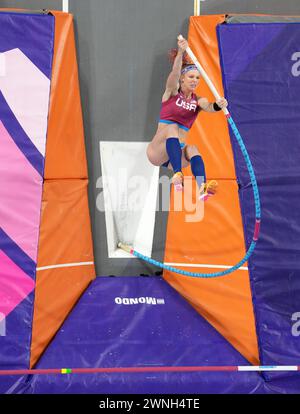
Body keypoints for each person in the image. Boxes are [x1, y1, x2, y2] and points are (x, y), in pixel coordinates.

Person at [146, 35, 228, 200]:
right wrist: (180, 53)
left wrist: (219, 104)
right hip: (157, 151)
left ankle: (202, 187)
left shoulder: (197, 100)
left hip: (174, 155)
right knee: (173, 127)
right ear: (182, 79)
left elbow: (209, 107)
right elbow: (174, 76)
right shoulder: (171, 94)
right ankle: (177, 175)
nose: (195, 80)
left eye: (197, 78)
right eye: (191, 77)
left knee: (193, 149)